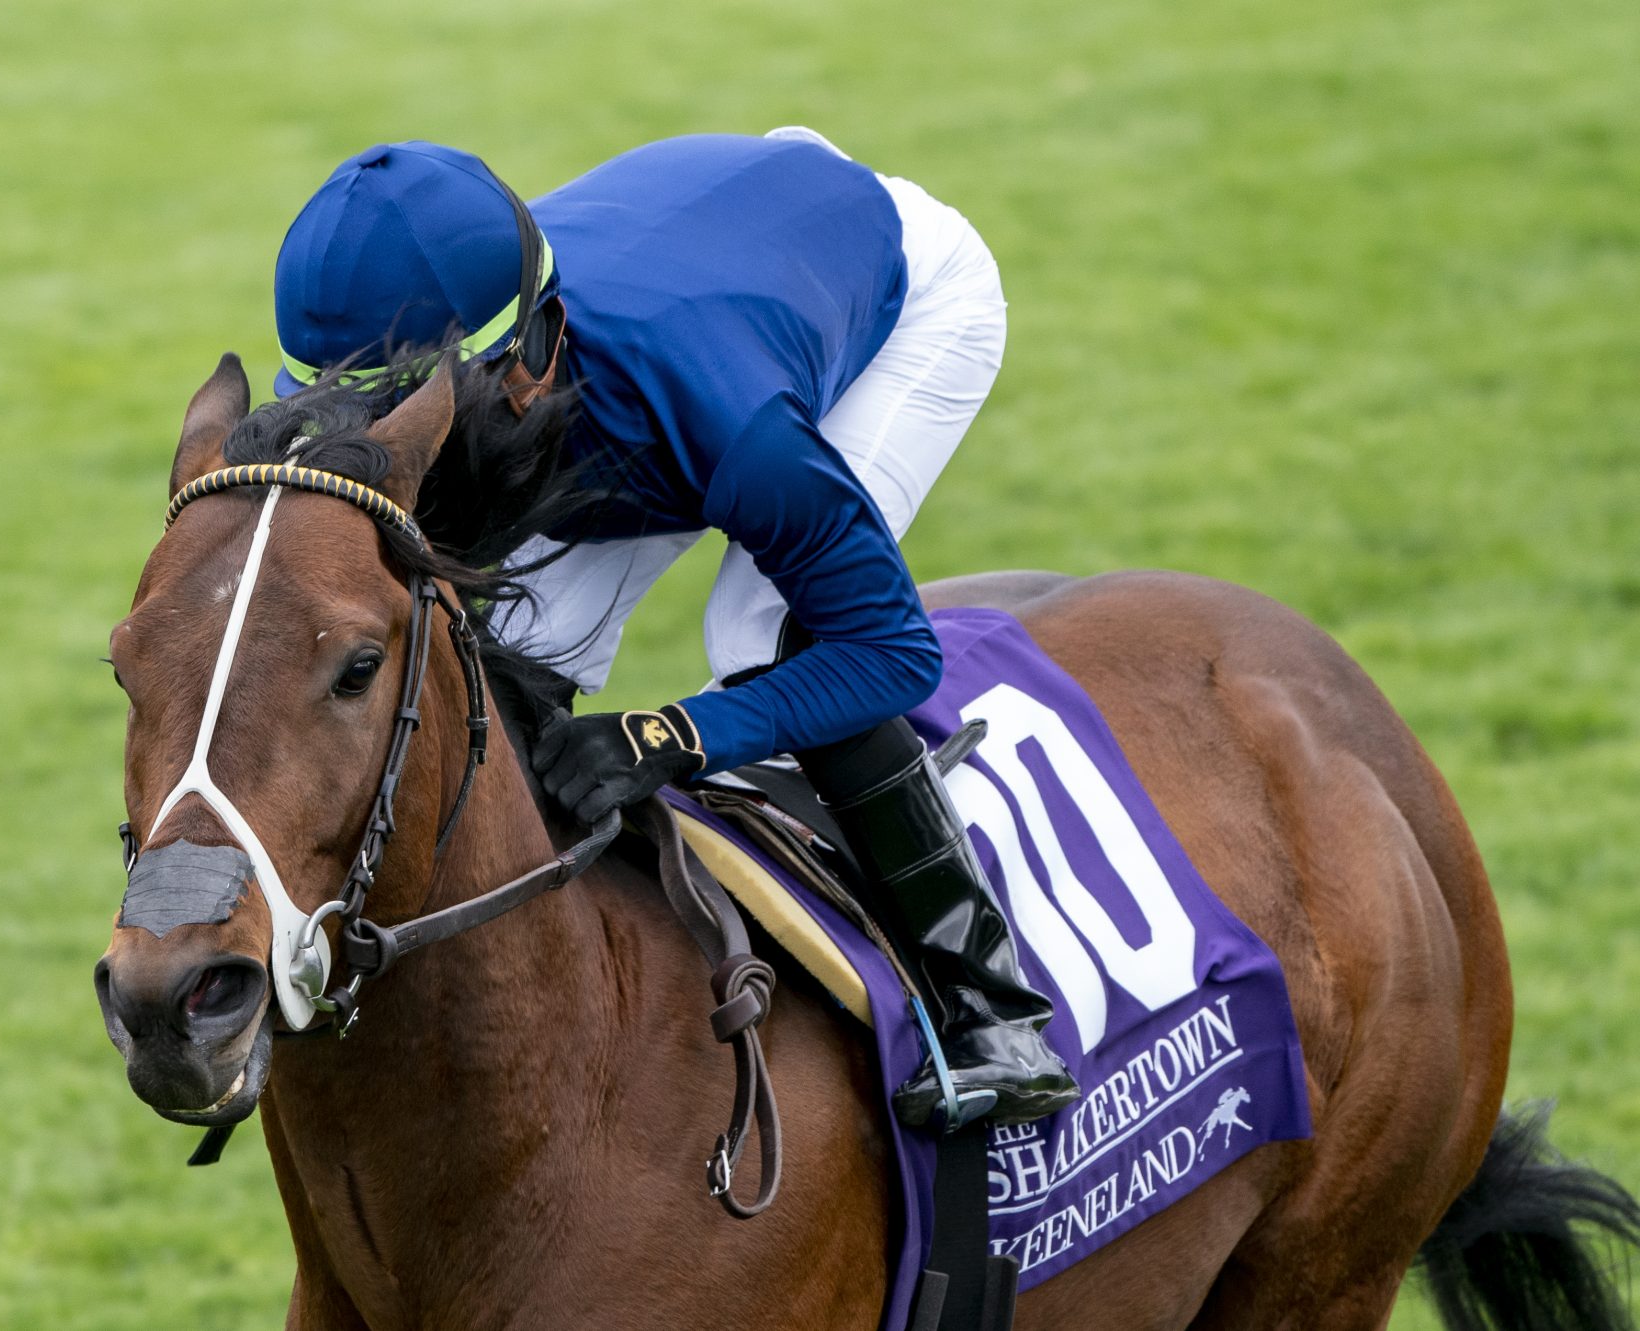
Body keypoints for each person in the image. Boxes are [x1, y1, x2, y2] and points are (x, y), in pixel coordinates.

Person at [270, 129, 1077, 1130]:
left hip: (892, 293)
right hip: (688, 273)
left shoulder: (728, 418)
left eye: (422, 419)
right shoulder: (492, 350)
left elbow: (888, 651)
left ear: (525, 358)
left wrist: (669, 734)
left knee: (764, 630)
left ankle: (988, 1005)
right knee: (514, 650)